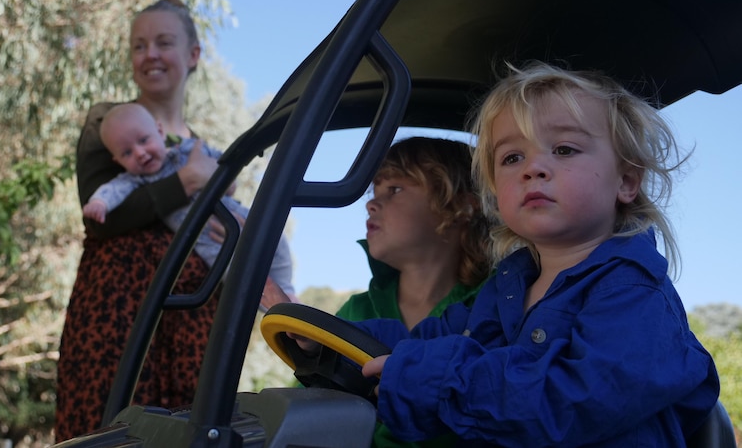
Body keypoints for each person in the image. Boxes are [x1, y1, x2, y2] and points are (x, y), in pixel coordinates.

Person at [301, 61, 719, 446]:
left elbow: (574, 402)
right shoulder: (506, 288)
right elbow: (425, 338)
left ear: (626, 182)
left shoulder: (633, 293)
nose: (532, 169)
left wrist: (441, 382)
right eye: (512, 157)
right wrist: (333, 339)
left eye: (564, 149)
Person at [55, 0, 287, 441]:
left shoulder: (204, 148)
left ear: (193, 54)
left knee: (190, 428)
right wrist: (187, 181)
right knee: (107, 425)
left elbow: (228, 230)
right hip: (117, 306)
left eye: (163, 42)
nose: (150, 55)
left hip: (195, 312)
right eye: (139, 46)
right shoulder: (109, 123)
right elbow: (101, 219)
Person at [336, 136, 491, 448]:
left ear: (462, 206)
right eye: (374, 191)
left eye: (394, 190)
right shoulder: (355, 312)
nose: (371, 203)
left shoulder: (497, 305)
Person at [82, 102, 296, 300]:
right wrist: (99, 203)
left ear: (159, 131)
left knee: (275, 237)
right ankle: (277, 306)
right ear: (117, 161)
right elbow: (112, 190)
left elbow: (226, 162)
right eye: (126, 152)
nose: (139, 153)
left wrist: (229, 172)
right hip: (208, 242)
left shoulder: (187, 148)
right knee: (238, 279)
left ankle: (287, 290)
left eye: (143, 140)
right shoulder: (133, 180)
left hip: (235, 215)